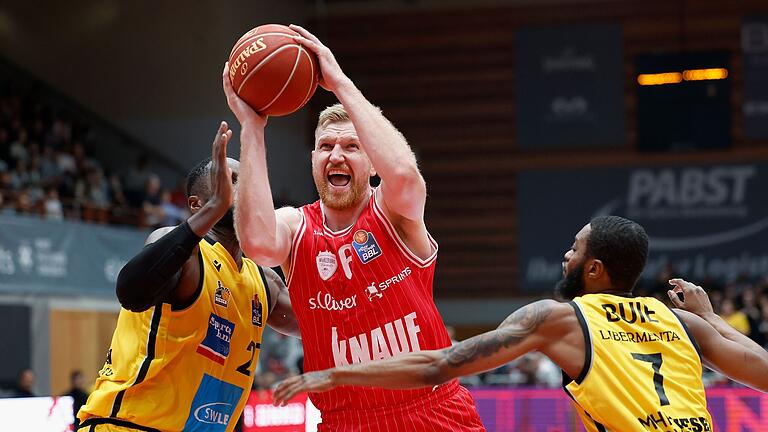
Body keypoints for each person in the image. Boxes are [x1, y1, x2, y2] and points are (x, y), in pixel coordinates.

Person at [274, 216, 768, 431]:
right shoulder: (681, 322)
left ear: (594, 269)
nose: (565, 256)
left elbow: (440, 365)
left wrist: (338, 374)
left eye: (574, 250)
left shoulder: (559, 319)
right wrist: (712, 320)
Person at [225, 24, 485, 431]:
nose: (336, 156)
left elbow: (403, 173)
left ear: (370, 162)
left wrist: (340, 82)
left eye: (351, 147)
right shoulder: (297, 228)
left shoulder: (393, 211)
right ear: (312, 158)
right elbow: (256, 242)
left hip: (432, 410)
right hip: (346, 421)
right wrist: (253, 127)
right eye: (326, 147)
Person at [77, 122, 299, 432]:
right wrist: (215, 208)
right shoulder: (184, 253)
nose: (242, 188)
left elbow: (325, 325)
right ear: (197, 204)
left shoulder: (265, 284)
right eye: (230, 180)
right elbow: (131, 292)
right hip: (127, 426)